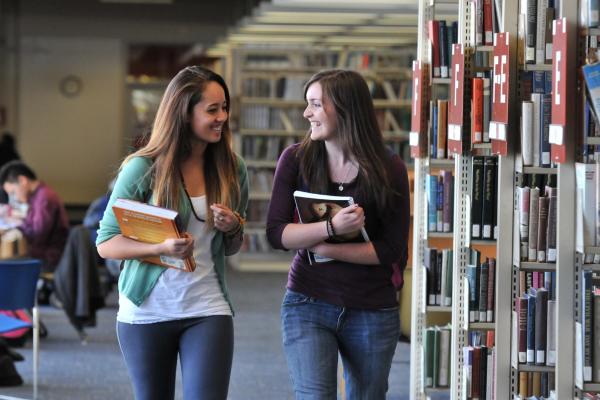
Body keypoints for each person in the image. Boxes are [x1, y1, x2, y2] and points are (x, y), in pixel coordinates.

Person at [96, 66, 248, 400]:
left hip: (208, 306)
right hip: (146, 310)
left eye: (225, 108)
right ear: (183, 113)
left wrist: (234, 227)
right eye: (212, 109)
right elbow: (106, 244)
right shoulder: (143, 167)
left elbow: (233, 247)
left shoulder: (232, 168)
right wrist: (162, 247)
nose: (222, 116)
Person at [266, 69, 410, 399]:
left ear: (344, 109)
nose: (307, 114)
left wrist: (318, 245)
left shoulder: (390, 169)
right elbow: (276, 234)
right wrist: (332, 229)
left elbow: (390, 251)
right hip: (308, 300)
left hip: (372, 308)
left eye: (315, 104)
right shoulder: (295, 159)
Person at [0, 160, 69, 273]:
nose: (14, 198)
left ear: (22, 180)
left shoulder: (44, 198)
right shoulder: (37, 196)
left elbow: (38, 235)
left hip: (49, 259)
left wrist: (19, 223)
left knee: (5, 265)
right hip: (43, 254)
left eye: (13, 192)